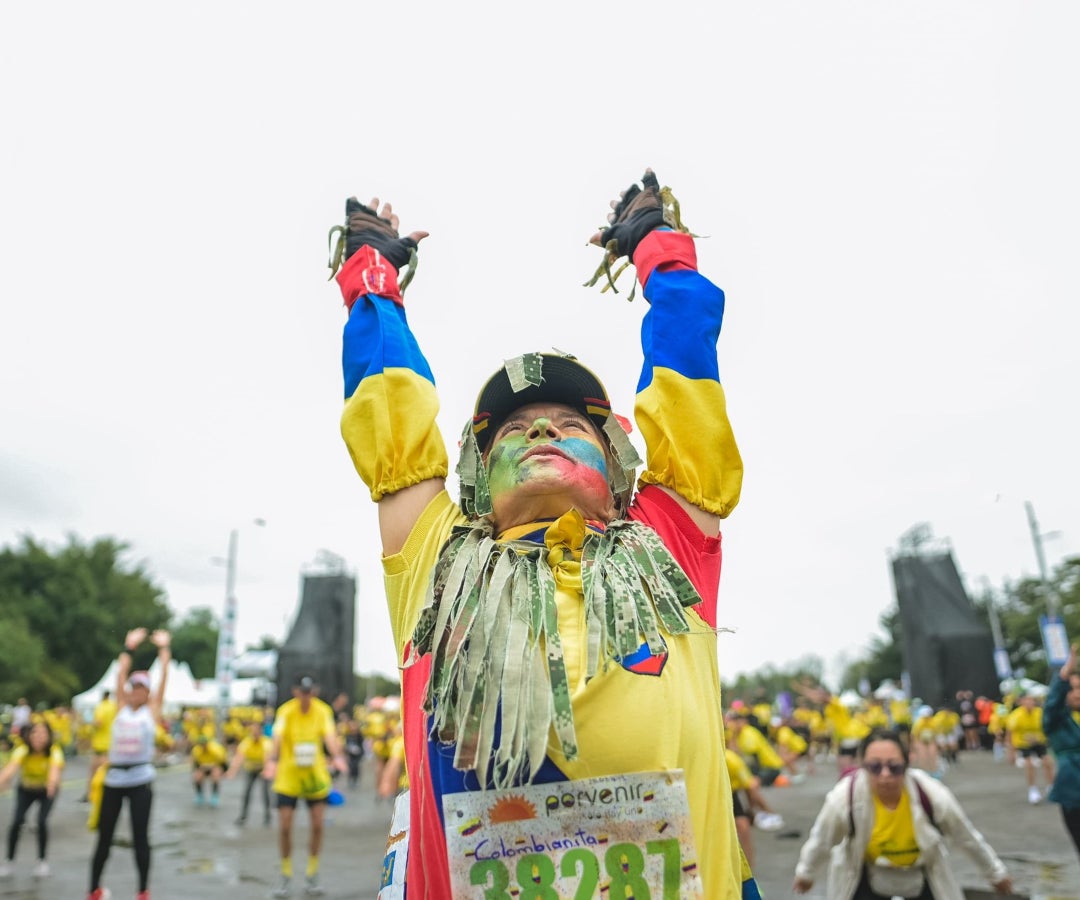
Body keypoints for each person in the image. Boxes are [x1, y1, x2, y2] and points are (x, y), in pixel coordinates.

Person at [330, 169, 753, 899]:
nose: (542, 431)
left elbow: (686, 368)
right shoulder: (439, 557)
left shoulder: (668, 540)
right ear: (477, 481)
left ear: (617, 463)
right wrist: (373, 282)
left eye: (569, 425)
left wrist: (656, 248)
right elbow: (389, 410)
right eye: (515, 432)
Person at [793, 729, 1012, 900]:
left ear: (907, 764)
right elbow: (822, 838)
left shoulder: (931, 794)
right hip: (865, 873)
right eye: (875, 767)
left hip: (922, 871)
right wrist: (806, 873)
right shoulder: (845, 798)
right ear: (862, 766)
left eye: (894, 767)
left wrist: (995, 873)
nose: (885, 776)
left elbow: (966, 837)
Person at [87, 627, 171, 900]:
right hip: (114, 779)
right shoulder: (120, 707)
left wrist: (164, 649)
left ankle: (143, 891)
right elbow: (120, 673)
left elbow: (164, 677)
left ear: (147, 692)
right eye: (134, 687)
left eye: (142, 688)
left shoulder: (152, 711)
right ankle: (94, 889)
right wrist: (129, 646)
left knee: (140, 838)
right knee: (104, 837)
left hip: (140, 780)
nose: (137, 691)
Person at [262, 674, 347, 897]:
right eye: (303, 692)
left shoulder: (322, 711)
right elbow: (277, 738)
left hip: (314, 777)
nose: (306, 697)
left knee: (318, 825)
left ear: (314, 692)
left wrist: (337, 755)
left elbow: (330, 736)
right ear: (295, 692)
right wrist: (272, 760)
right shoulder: (286, 711)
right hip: (288, 776)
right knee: (284, 826)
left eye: (310, 692)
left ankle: (312, 873)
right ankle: (285, 874)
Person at [0, 720, 64, 879]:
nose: (39, 737)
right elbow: (9, 771)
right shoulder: (22, 750)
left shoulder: (54, 751)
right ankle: (9, 861)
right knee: (16, 821)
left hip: (47, 791)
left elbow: (55, 771)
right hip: (26, 790)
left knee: (41, 822)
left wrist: (51, 784)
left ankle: (42, 862)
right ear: (29, 735)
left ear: (49, 736)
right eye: (35, 733)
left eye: (43, 733)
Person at [1044, 643, 1080, 856]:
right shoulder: (1057, 720)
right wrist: (1064, 676)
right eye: (1073, 689)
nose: (1077, 694)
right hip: (1074, 793)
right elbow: (1052, 704)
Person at [1006, 692, 1055, 803]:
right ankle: (1033, 789)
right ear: (1021, 702)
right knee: (1029, 764)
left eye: (1031, 700)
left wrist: (1041, 738)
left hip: (1039, 741)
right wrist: (1011, 751)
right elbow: (1009, 733)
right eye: (1026, 700)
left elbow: (1047, 728)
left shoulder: (1040, 713)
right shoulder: (1016, 715)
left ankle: (1051, 786)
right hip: (1023, 743)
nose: (1029, 702)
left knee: (1048, 762)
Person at [226, 720, 273, 826]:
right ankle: (243, 816)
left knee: (265, 793)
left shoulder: (266, 742)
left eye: (257, 730)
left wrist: (266, 770)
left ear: (260, 731)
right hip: (251, 769)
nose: (255, 733)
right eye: (253, 731)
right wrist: (232, 771)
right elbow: (239, 757)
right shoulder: (247, 742)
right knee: (247, 792)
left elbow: (267, 758)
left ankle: (267, 815)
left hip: (262, 768)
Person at [82, 689, 118, 802]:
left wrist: (88, 728)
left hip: (100, 748)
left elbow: (98, 722)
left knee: (94, 774)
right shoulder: (115, 707)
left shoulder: (101, 707)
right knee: (109, 776)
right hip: (111, 746)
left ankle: (91, 795)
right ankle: (108, 797)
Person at [190, 733, 228, 807]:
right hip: (203, 767)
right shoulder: (196, 750)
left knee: (215, 775)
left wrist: (225, 771)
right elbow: (195, 764)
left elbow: (223, 762)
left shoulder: (216, 749)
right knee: (197, 776)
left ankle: (215, 796)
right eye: (201, 744)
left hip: (215, 767)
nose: (203, 746)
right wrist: (199, 769)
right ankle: (199, 795)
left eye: (204, 744)